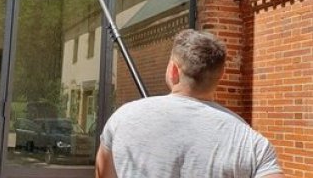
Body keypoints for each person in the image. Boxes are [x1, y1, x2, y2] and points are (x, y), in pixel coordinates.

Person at [95, 29, 284, 178]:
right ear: (220, 76)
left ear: (173, 70)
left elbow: (102, 172)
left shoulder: (122, 118)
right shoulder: (251, 142)